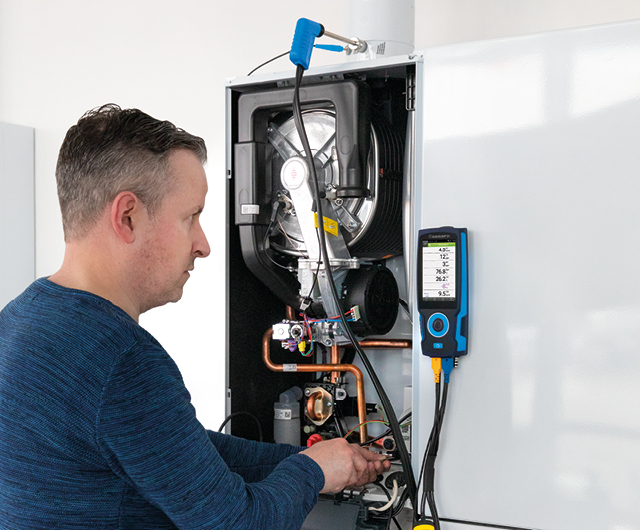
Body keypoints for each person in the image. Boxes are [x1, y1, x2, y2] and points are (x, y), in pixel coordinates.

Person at [0, 105, 389, 530]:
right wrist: (313, 472)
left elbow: (181, 454)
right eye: (191, 217)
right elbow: (239, 524)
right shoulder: (121, 360)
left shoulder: (18, 320)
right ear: (127, 217)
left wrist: (306, 457)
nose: (203, 245)